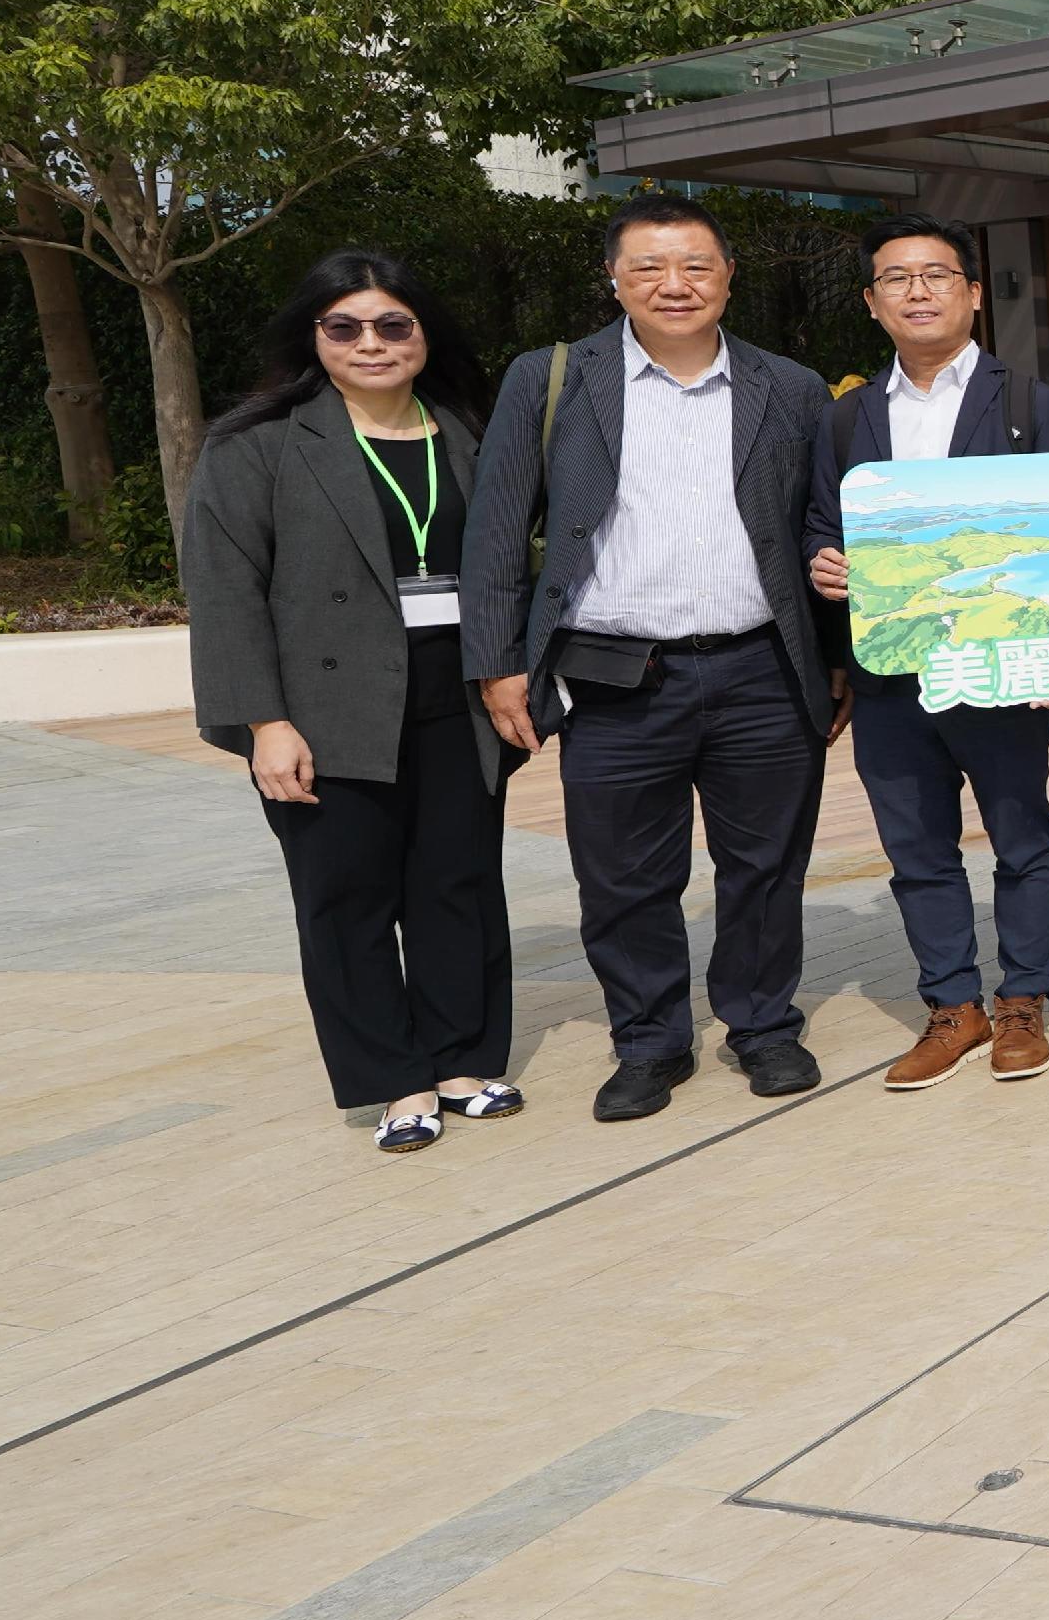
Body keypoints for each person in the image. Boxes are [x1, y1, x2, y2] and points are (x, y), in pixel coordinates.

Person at [466, 196, 840, 1123]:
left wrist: (836, 660)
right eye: (648, 267)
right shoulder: (550, 379)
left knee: (767, 865)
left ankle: (763, 1025)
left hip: (761, 669)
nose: (675, 285)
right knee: (623, 876)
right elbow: (497, 529)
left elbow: (820, 528)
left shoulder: (790, 386)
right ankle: (649, 1041)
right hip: (612, 673)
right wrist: (497, 663)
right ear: (614, 279)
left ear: (728, 277)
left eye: (696, 265)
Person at [184, 252, 524, 1152]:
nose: (371, 342)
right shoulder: (257, 443)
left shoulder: (471, 431)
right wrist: (264, 722)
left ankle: (462, 1059)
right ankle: (394, 1080)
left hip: (457, 693)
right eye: (345, 326)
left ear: (424, 333)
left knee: (458, 884)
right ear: (314, 336)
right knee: (346, 897)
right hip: (324, 706)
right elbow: (225, 592)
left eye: (392, 324)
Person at [806, 217, 1049, 1094]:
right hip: (891, 673)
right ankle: (952, 1006)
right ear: (872, 302)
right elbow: (820, 522)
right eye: (897, 277)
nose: (918, 290)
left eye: (936, 274)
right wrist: (823, 563)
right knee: (917, 851)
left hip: (1000, 668)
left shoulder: (1032, 402)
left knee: (1022, 840)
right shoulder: (846, 416)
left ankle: (1024, 1000)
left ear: (972, 292)